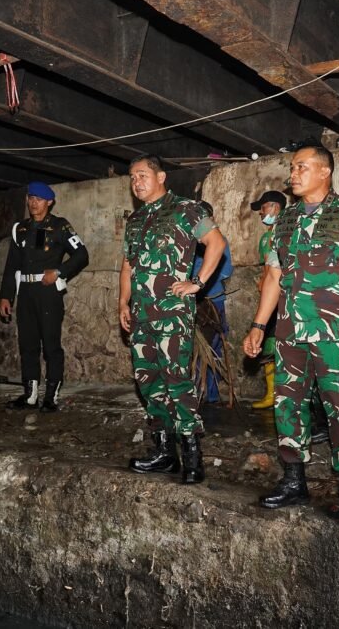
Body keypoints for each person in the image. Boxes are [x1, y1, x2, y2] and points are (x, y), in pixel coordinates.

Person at [243, 144, 339, 526]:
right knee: (287, 404)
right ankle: (293, 480)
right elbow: (273, 276)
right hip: (288, 331)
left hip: (334, 330)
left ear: (324, 172)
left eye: (301, 167)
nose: (294, 174)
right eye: (292, 167)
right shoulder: (283, 221)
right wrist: (258, 326)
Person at [120, 155, 228, 484]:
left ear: (161, 176)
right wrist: (123, 302)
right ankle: (164, 452)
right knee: (149, 382)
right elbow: (128, 266)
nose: (136, 181)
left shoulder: (186, 209)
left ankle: (192, 456)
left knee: (176, 381)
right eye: (132, 177)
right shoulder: (135, 220)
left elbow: (216, 243)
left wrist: (197, 283)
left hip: (172, 313)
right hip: (141, 315)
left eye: (142, 175)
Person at [0, 182, 89, 412]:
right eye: (30, 198)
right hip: (26, 292)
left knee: (51, 345)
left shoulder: (59, 226)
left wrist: (59, 272)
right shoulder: (21, 229)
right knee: (27, 344)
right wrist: (6, 296)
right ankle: (30, 396)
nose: (33, 203)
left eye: (38, 199)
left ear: (49, 202)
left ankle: (51, 397)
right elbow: (12, 265)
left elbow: (81, 254)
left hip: (48, 292)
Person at [192, 201, 233, 403]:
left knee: (213, 348)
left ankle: (212, 393)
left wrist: (201, 282)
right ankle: (198, 393)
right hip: (194, 304)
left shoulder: (219, 241)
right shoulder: (189, 243)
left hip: (213, 303)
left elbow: (226, 271)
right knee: (196, 350)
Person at [249, 190, 286, 409]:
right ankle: (276, 393)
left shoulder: (276, 234)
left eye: (263, 208)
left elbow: (271, 272)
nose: (261, 213)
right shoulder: (273, 235)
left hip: (279, 300)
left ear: (273, 207)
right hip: (280, 299)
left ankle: (277, 394)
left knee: (272, 346)